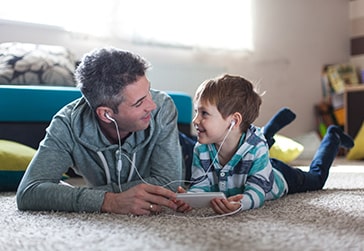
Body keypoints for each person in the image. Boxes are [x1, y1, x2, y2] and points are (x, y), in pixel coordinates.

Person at [16, 47, 184, 215]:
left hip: (189, 150)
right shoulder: (66, 124)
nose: (152, 105)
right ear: (106, 114)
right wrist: (109, 201)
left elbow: (168, 183)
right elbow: (28, 192)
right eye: (139, 103)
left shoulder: (162, 107)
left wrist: (77, 193)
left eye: (148, 92)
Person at [176, 74, 354, 215]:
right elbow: (201, 184)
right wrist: (191, 198)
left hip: (278, 176)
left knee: (316, 180)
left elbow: (258, 192)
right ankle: (273, 126)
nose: (195, 120)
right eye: (196, 112)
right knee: (257, 141)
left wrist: (242, 203)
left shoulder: (256, 146)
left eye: (204, 113)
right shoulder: (201, 148)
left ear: (233, 121)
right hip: (254, 156)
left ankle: (333, 137)